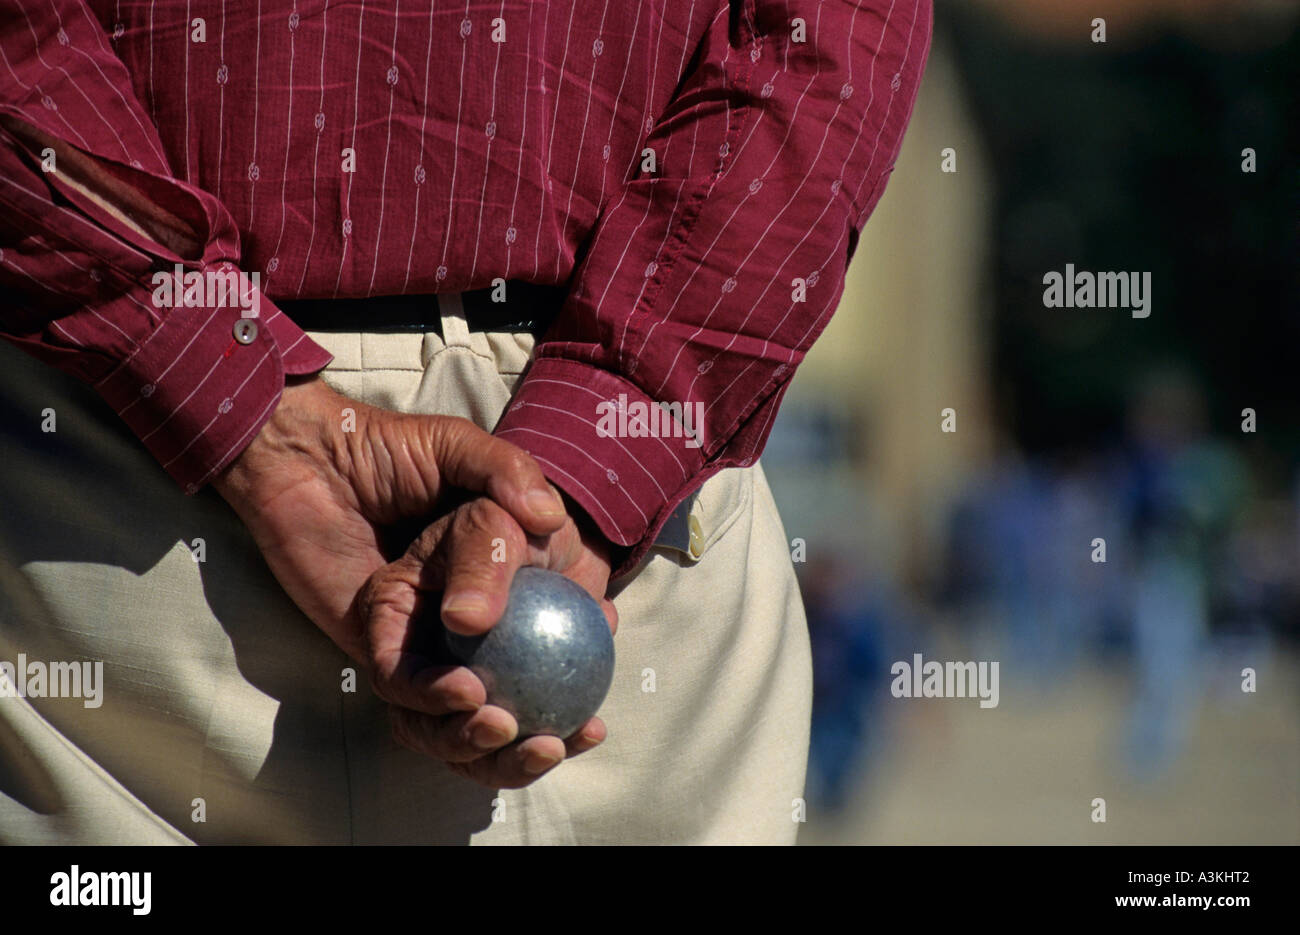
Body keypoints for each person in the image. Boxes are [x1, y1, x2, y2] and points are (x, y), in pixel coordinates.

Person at [0, 0, 931, 843]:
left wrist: (219, 375)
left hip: (127, 468)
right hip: (133, 459)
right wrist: (601, 438)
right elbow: (837, 37)